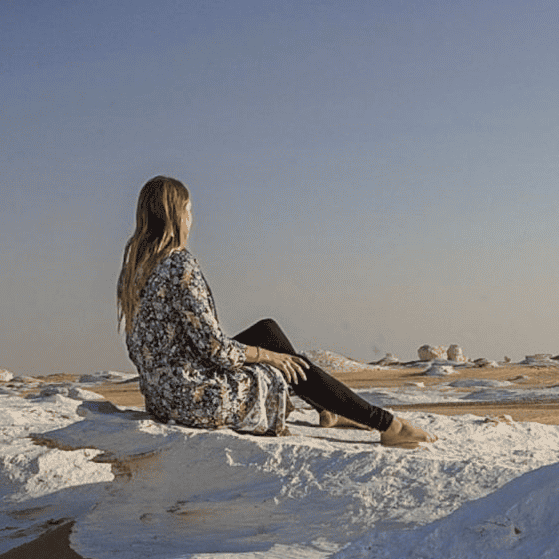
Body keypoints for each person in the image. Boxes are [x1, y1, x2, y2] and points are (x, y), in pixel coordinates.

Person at [117, 176, 435, 448]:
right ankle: (386, 425)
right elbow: (215, 348)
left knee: (267, 331)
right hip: (192, 398)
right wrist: (269, 357)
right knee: (277, 362)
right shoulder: (178, 264)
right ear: (175, 216)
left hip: (161, 396)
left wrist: (262, 350)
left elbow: (149, 348)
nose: (192, 220)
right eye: (189, 211)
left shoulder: (134, 271)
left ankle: (329, 408)